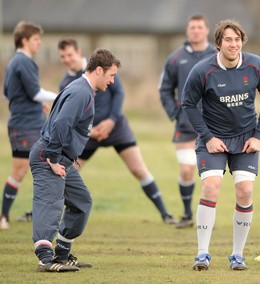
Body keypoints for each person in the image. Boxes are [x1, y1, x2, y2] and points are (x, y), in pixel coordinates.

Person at [182, 19, 260, 271]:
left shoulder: (256, 65)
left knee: (245, 191)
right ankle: (202, 254)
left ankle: (237, 255)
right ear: (218, 44)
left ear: (242, 42)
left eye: (237, 39)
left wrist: (259, 135)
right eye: (228, 40)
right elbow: (188, 104)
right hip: (212, 139)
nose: (233, 44)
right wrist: (208, 137)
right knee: (211, 187)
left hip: (246, 139)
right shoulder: (203, 70)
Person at [57, 37, 176, 224]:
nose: (67, 59)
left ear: (78, 52)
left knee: (138, 169)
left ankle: (165, 214)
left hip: (116, 127)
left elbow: (119, 93)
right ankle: (54, 211)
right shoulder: (67, 82)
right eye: (62, 56)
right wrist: (90, 131)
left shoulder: (103, 68)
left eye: (70, 54)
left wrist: (111, 121)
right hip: (90, 133)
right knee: (69, 172)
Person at [29, 48, 120, 272]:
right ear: (99, 70)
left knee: (81, 202)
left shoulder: (83, 90)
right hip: (49, 155)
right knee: (50, 203)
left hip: (63, 158)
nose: (113, 81)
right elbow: (61, 124)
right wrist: (51, 158)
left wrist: (70, 155)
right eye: (112, 75)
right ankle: (45, 258)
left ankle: (61, 253)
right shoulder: (81, 92)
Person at [159, 15, 216, 228]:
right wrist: (175, 113)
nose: (196, 31)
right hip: (185, 125)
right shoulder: (175, 58)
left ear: (207, 30)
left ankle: (207, 216)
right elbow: (165, 89)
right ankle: (187, 213)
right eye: (192, 27)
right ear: (187, 31)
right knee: (186, 171)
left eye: (200, 27)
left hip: (213, 124)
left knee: (210, 176)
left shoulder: (217, 55)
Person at [1, 21, 57, 229]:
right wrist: (60, 97)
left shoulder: (13, 62)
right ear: (24, 40)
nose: (39, 43)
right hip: (27, 124)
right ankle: (38, 216)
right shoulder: (24, 62)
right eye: (36, 39)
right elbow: (35, 92)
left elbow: (8, 93)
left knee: (24, 170)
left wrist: (38, 102)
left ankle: (6, 216)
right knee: (37, 167)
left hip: (23, 123)